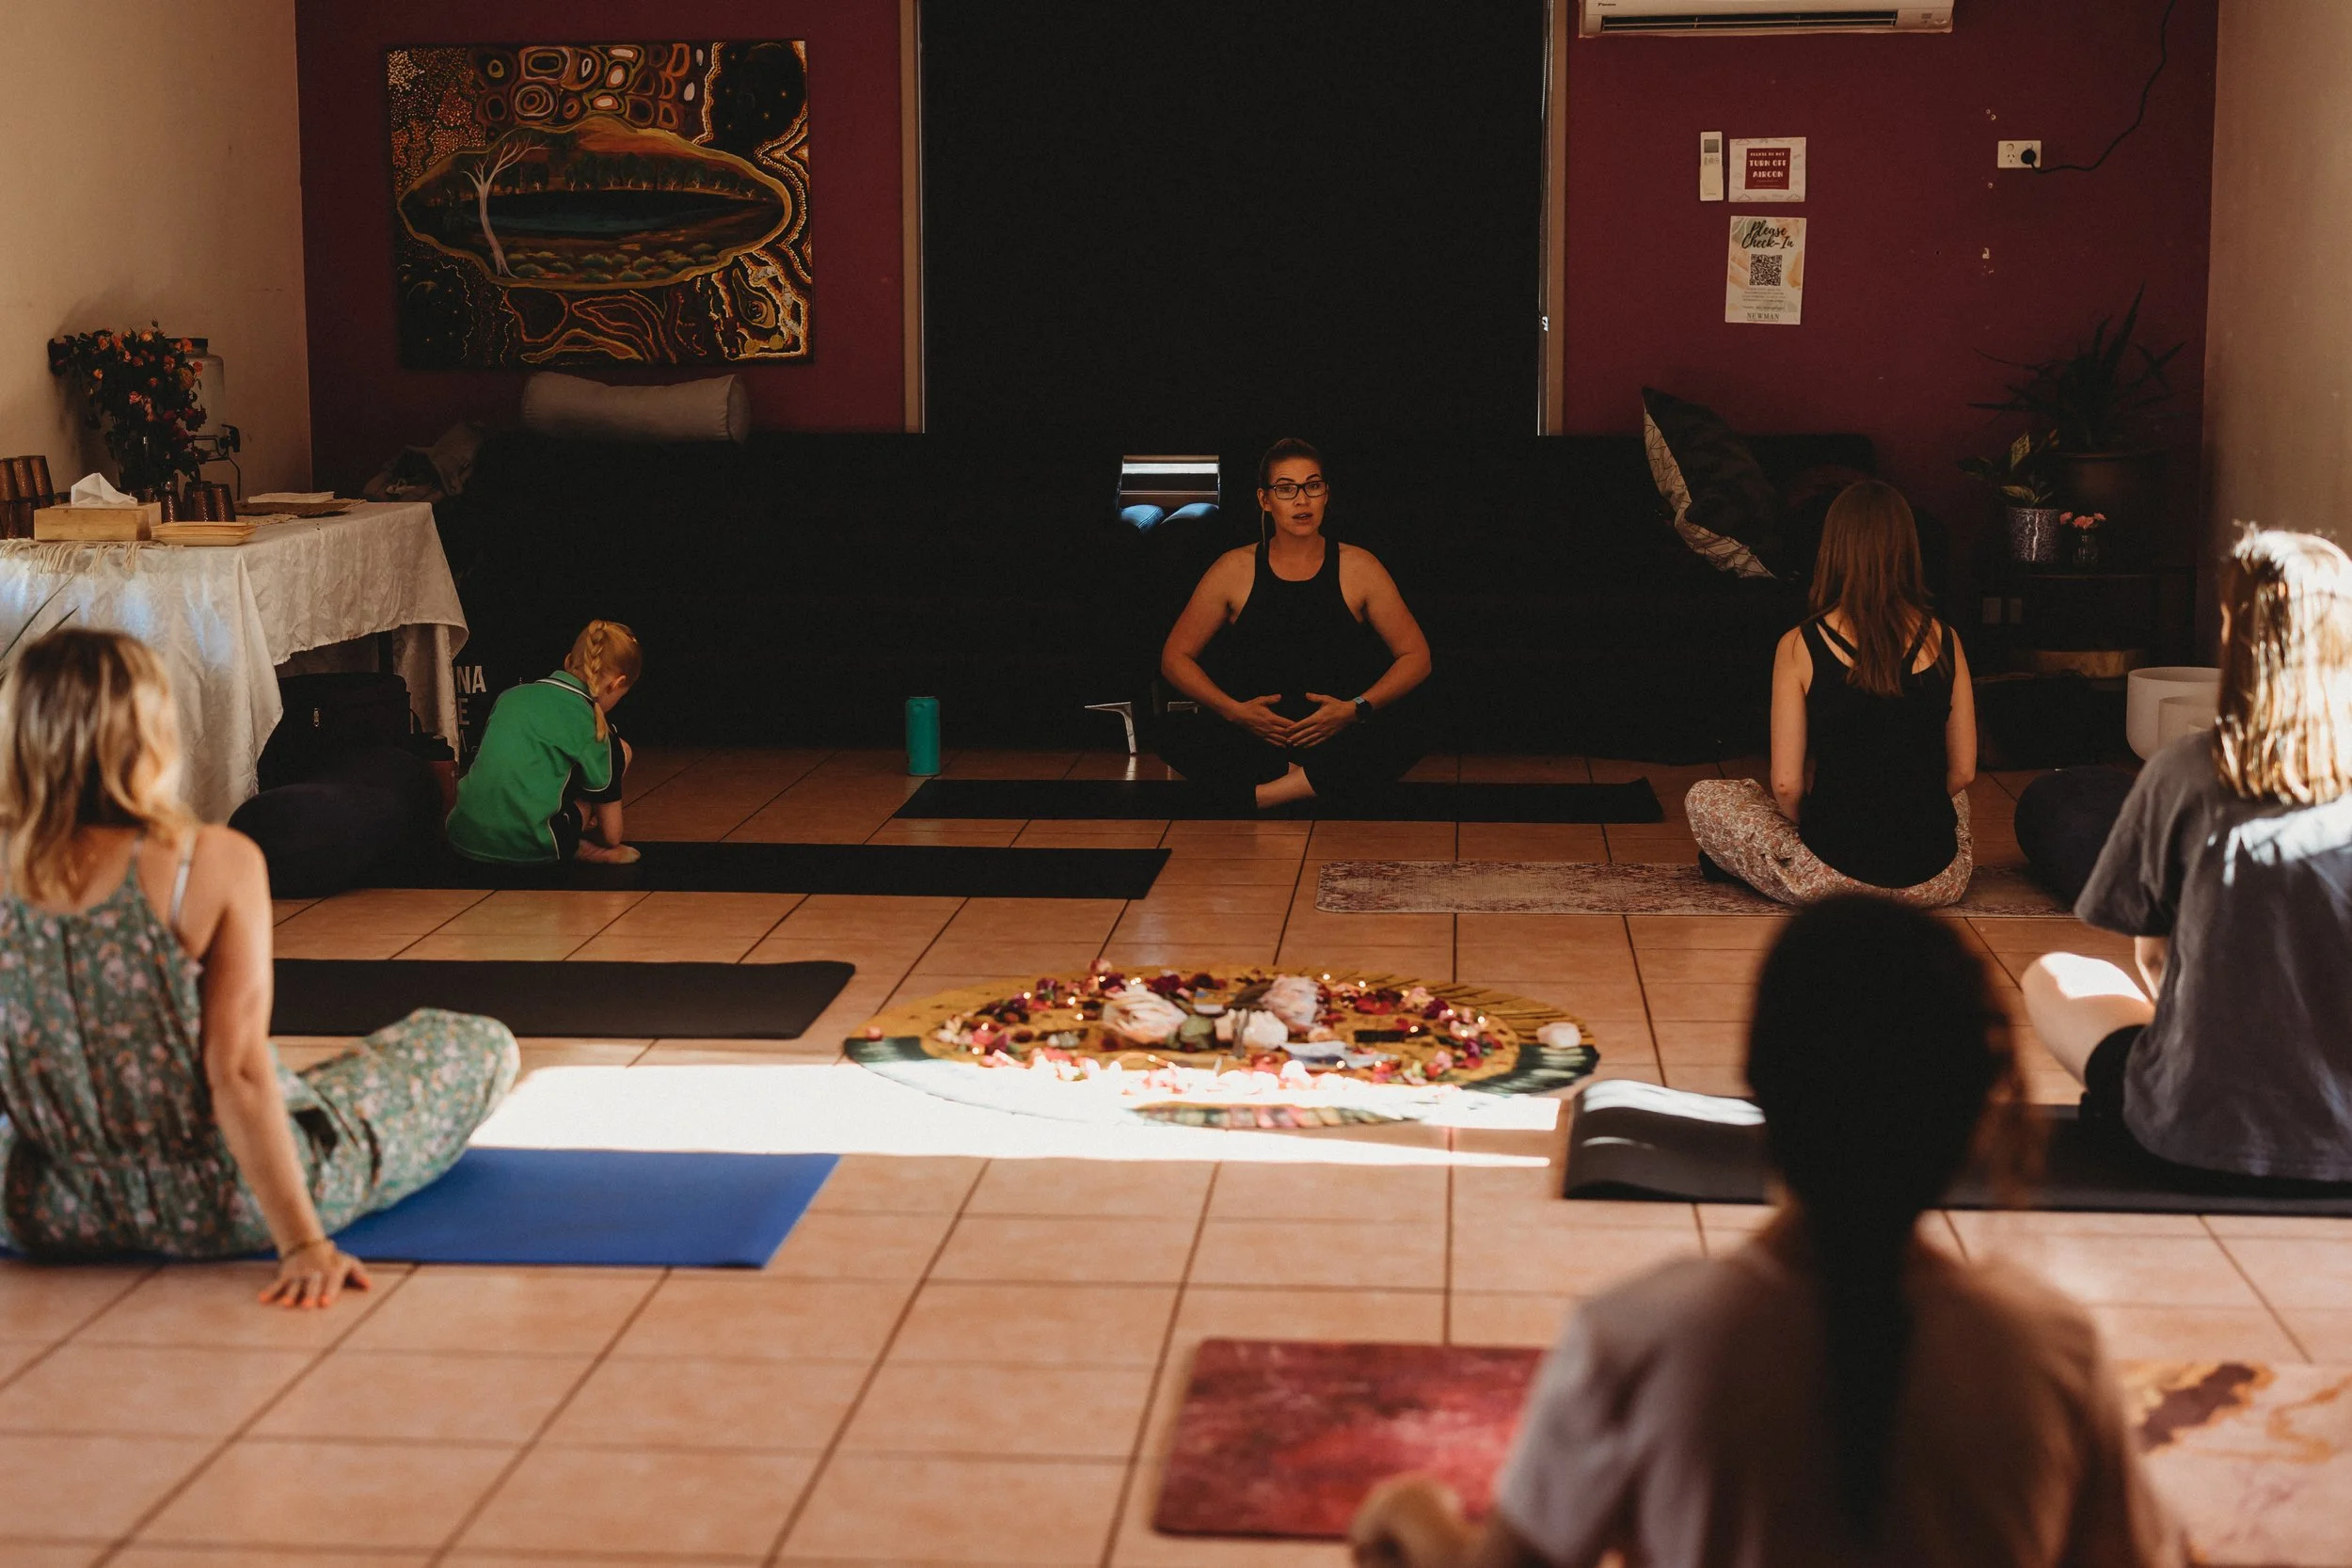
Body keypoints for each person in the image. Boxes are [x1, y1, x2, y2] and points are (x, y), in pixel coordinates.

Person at [1349, 897, 2178, 1568]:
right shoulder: (2050, 1352)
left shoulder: (1640, 1336)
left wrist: (1412, 1512)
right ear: (1974, 1123)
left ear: (1760, 1089)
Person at [0, 630, 516, 1304]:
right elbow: (235, 1068)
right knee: (476, 1045)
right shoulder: (210, 861)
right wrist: (303, 1242)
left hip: (44, 1207)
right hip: (216, 1202)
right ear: (150, 731)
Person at [2024, 529, 2352, 1182]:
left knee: (2052, 973)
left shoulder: (2184, 771)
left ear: (2241, 636)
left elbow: (2153, 955)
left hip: (2186, 1133)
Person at [1686, 481, 1978, 906]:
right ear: (1907, 549)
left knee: (1707, 798)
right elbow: (1963, 771)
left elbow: (1786, 784)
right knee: (1955, 801)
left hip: (1833, 878)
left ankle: (1752, 864)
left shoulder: (1799, 645)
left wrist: (1823, 827)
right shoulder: (1946, 639)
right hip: (1937, 881)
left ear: (1833, 550)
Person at [1158, 438, 1433, 810]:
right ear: (1264, 500)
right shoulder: (1233, 568)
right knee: (1172, 734)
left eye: (1312, 486)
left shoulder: (1360, 567)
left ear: (1325, 495)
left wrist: (1354, 709)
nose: (1302, 500)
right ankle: (1315, 782)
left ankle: (1262, 796)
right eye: (1286, 489)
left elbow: (1416, 656)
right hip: (1259, 734)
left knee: (1413, 726)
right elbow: (1175, 657)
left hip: (1337, 730)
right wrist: (1235, 711)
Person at [448, 620, 642, 865]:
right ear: (616, 683)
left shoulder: (510, 696)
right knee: (621, 752)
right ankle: (578, 847)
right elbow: (613, 836)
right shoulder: (593, 725)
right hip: (530, 846)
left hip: (463, 837)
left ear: (568, 661)